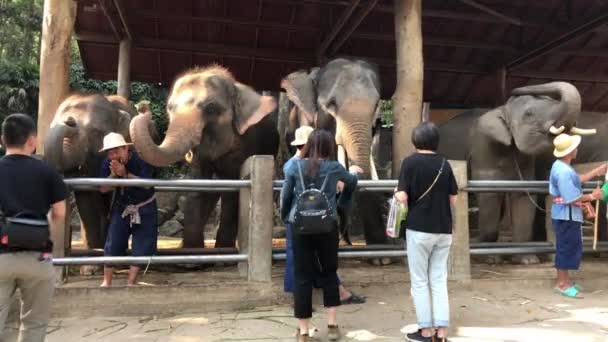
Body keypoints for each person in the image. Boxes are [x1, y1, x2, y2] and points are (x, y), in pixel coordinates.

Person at [281, 129, 362, 342]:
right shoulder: (335, 168)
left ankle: (304, 330)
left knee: (302, 276)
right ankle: (333, 325)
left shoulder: (295, 167)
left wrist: (286, 216)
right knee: (329, 272)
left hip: (300, 227)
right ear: (329, 148)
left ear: (308, 146)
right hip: (328, 226)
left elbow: (286, 194)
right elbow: (351, 183)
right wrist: (342, 202)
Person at [0, 114, 68, 342]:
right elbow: (59, 213)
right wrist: (42, 227)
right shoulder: (47, 172)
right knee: (34, 323)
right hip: (37, 255)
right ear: (32, 141)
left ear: (3, 140)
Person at [395, 122, 458, 342]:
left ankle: (426, 331)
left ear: (415, 141)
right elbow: (454, 199)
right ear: (436, 141)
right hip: (443, 230)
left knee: (420, 281)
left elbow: (402, 196)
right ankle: (441, 332)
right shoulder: (445, 164)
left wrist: (397, 195)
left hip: (419, 229)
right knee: (439, 279)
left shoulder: (410, 163)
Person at [549, 133, 605, 298]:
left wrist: (595, 172)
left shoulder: (561, 166)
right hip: (566, 215)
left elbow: (577, 179)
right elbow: (572, 197)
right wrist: (593, 196)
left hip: (566, 215)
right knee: (566, 248)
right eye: (574, 147)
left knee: (567, 247)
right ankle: (562, 284)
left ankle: (565, 281)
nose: (577, 149)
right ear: (570, 151)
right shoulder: (564, 172)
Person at [99, 132, 158, 287]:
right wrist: (113, 176)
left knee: (142, 243)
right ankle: (107, 281)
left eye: (116, 150)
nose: (113, 155)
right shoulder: (108, 163)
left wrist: (125, 174)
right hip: (122, 206)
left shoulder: (142, 159)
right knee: (113, 242)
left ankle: (131, 281)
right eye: (109, 152)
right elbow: (103, 189)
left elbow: (147, 183)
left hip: (144, 206)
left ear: (126, 149)